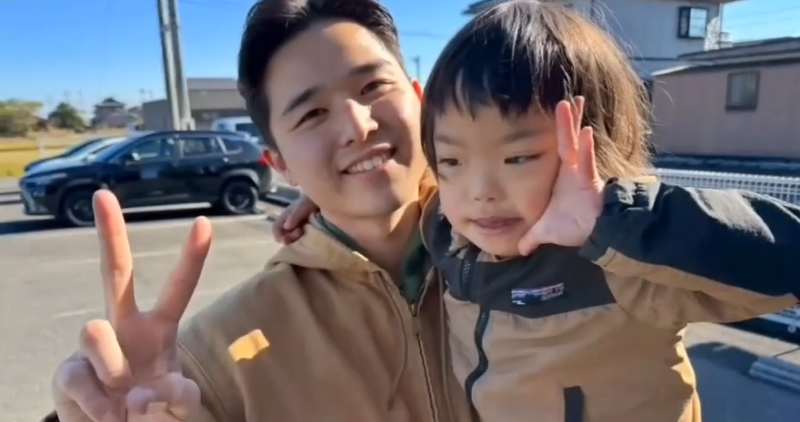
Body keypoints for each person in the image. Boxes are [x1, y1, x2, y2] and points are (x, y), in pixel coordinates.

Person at [273, 2, 800, 422]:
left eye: (519, 157)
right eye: (452, 160)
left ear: (596, 149)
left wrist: (617, 216)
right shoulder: (449, 230)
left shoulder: (626, 263)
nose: (480, 191)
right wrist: (329, 194)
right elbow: (423, 188)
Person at [45, 0, 473, 421]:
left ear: (422, 101)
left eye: (372, 87)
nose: (358, 127)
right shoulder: (211, 356)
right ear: (281, 164)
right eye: (313, 113)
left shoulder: (508, 252)